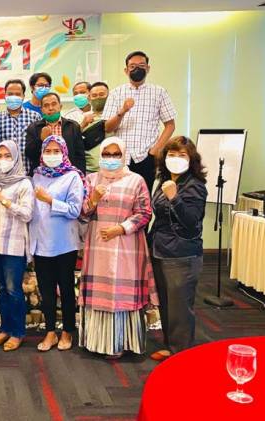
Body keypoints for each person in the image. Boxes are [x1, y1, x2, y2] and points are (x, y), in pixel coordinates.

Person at [78, 137, 158, 359]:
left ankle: (121, 342)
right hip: (98, 246)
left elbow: (145, 213)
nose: (111, 158)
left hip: (126, 245)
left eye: (116, 154)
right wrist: (93, 199)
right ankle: (96, 341)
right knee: (100, 293)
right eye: (106, 154)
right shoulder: (91, 179)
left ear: (123, 155)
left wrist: (121, 228)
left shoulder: (136, 180)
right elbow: (82, 214)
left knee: (121, 293)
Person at [148, 136, 207, 361]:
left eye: (182, 155)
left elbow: (191, 220)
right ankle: (171, 346)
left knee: (180, 306)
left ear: (191, 159)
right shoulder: (164, 180)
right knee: (167, 303)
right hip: (161, 249)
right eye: (171, 154)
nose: (176, 158)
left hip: (182, 254)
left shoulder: (195, 185)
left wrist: (174, 197)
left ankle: (181, 354)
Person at [30, 135, 85, 352]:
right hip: (41, 242)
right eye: (48, 151)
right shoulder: (37, 175)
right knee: (46, 290)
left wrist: (50, 200)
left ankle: (68, 331)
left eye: (56, 151)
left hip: (64, 243)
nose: (51, 155)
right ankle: (50, 331)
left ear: (64, 153)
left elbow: (74, 210)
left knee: (66, 289)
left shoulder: (72, 176)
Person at [0, 140, 34, 352]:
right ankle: (5, 329)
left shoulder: (24, 184)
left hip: (13, 245)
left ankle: (17, 333)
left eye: (7, 156)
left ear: (16, 159)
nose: (3, 160)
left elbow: (27, 214)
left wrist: (4, 200)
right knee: (2, 290)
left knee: (14, 290)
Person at [102, 51, 177, 193]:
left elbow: (170, 125)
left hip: (147, 156)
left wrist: (155, 150)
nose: (137, 69)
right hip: (120, 157)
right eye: (132, 66)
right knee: (120, 196)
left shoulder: (159, 92)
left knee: (144, 198)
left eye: (141, 65)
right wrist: (122, 111)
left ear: (148, 68)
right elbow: (107, 128)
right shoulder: (116, 93)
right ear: (126, 70)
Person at [25, 92, 86, 174]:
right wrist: (41, 140)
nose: (50, 108)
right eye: (46, 105)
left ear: (60, 106)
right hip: (42, 174)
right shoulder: (34, 128)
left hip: (68, 174)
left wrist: (80, 176)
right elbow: (30, 155)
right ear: (42, 110)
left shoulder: (72, 126)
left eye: (54, 104)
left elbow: (80, 156)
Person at [65, 82, 111, 173]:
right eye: (75, 93)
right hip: (88, 167)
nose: (79, 96)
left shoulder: (111, 114)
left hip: (110, 164)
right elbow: (69, 140)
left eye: (82, 92)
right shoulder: (69, 116)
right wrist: (83, 124)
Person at [0, 79, 42, 174]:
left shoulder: (35, 117)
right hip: (5, 174)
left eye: (17, 94)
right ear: (5, 96)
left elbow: (40, 145)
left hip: (30, 172)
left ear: (23, 96)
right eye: (10, 94)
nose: (14, 97)